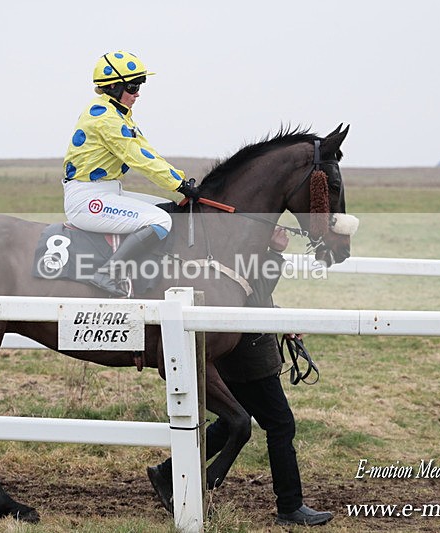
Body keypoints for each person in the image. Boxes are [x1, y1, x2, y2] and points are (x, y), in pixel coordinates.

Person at [146, 227, 334, 527]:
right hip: (249, 356)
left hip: (240, 350)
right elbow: (254, 297)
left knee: (231, 420)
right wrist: (275, 252)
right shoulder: (245, 247)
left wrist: (281, 317)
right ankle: (290, 506)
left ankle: (167, 472)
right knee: (280, 424)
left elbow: (256, 296)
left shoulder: (232, 244)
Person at [63, 50, 200, 297]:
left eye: (139, 86)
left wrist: (179, 179)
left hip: (109, 192)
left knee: (168, 208)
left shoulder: (119, 114)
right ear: (113, 86)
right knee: (160, 221)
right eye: (133, 87)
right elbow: (137, 158)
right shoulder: (105, 119)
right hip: (86, 200)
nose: (137, 93)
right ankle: (108, 273)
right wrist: (177, 185)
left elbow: (147, 151)